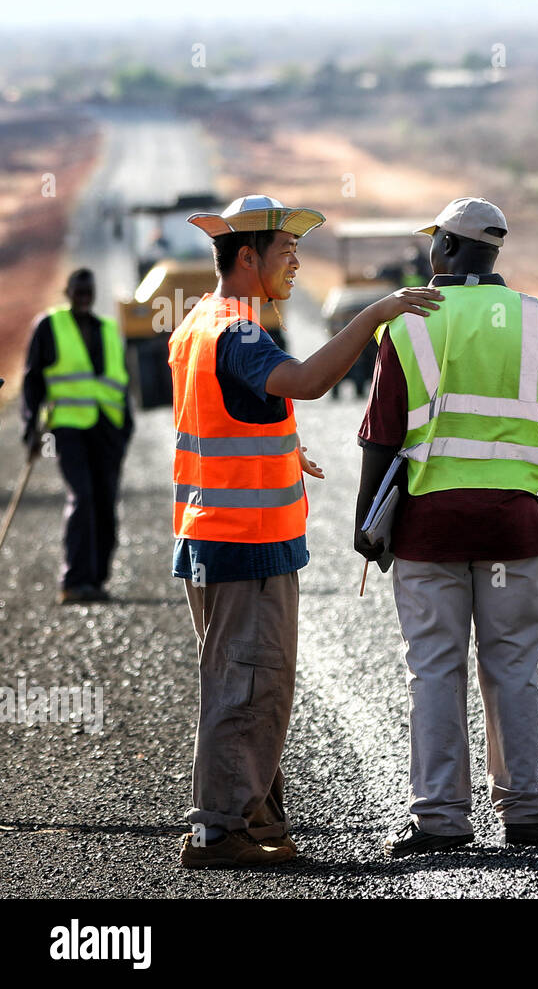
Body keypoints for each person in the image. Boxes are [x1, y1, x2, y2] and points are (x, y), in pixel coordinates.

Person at [172, 195, 442, 868]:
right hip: (245, 541)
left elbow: (219, 422)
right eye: (285, 252)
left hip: (217, 535)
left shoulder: (199, 323)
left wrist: (283, 452)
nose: (295, 262)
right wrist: (371, 315)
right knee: (250, 681)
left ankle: (250, 813)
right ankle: (220, 828)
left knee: (245, 678)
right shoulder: (236, 328)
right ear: (246, 258)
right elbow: (308, 381)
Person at [354, 197, 538, 857]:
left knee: (433, 669)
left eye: (435, 244)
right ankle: (528, 812)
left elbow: (380, 436)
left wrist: (367, 520)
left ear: (447, 249)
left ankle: (440, 820)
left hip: (429, 531)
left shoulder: (407, 323)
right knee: (512, 666)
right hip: (513, 529)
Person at [20, 268, 131, 604]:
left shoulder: (109, 329)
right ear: (67, 291)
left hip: (107, 428)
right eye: (78, 290)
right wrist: (31, 429)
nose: (84, 296)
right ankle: (74, 581)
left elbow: (122, 384)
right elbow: (32, 380)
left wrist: (125, 429)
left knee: (105, 501)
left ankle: (96, 580)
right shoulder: (49, 325)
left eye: (89, 291)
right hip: (67, 426)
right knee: (81, 496)